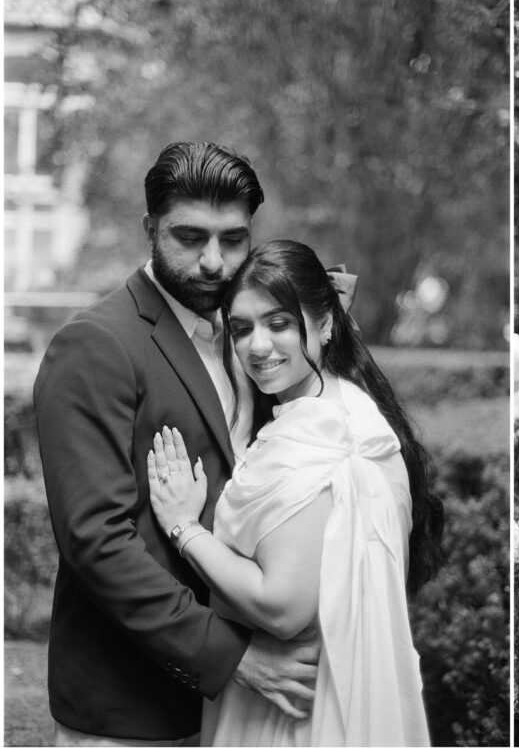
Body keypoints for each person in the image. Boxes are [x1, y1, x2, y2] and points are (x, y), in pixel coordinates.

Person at [34, 142, 319, 745]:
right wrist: (233, 656)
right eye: (189, 238)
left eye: (233, 239)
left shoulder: (239, 336)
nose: (214, 262)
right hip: (130, 710)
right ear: (150, 229)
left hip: (233, 715)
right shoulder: (95, 345)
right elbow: (96, 539)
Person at [146, 240, 444, 745]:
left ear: (326, 323)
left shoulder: (321, 437)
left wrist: (185, 528)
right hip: (324, 680)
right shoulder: (353, 407)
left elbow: (282, 606)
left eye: (279, 323)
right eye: (241, 329)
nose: (257, 346)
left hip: (295, 706)